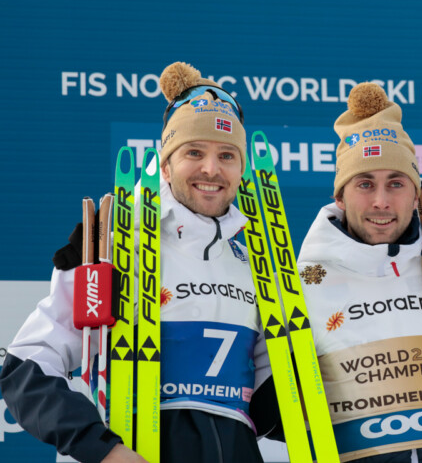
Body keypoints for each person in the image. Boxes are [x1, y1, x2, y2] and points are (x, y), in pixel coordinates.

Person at [0, 62, 271, 463]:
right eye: (194, 152)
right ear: (164, 163)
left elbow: (270, 400)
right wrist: (103, 450)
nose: (211, 169)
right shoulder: (113, 248)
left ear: (241, 168)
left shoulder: (254, 265)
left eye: (227, 155)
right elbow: (27, 365)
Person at [293, 82, 422, 462]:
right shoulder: (304, 283)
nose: (381, 201)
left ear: (416, 192)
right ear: (339, 195)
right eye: (365, 183)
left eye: (396, 183)